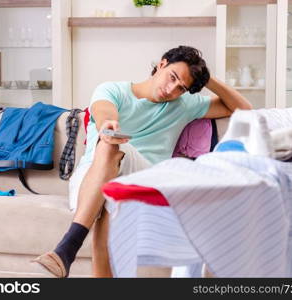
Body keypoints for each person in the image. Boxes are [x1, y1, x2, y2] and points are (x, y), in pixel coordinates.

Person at [33, 45, 252, 277]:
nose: (171, 90)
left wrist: (208, 79)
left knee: (114, 160)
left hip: (144, 177)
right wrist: (108, 125)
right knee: (111, 172)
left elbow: (245, 109)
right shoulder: (113, 90)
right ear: (162, 63)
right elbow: (104, 111)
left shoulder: (185, 106)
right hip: (92, 179)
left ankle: (67, 248)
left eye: (181, 88)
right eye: (172, 77)